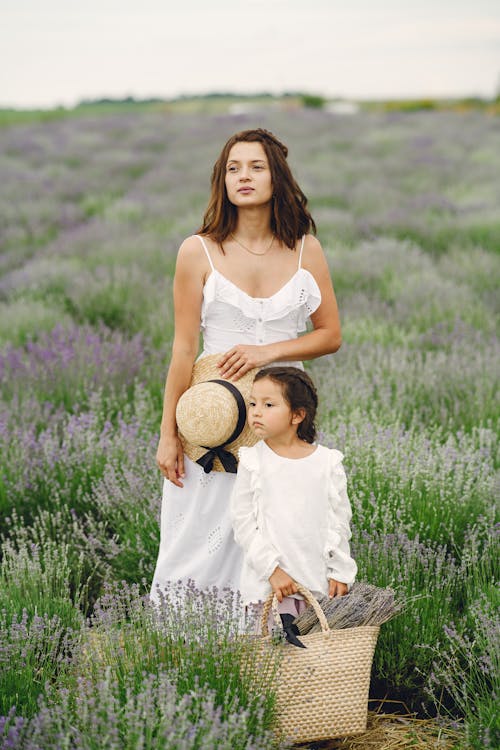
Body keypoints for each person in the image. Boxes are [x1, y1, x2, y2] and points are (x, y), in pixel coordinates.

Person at [150, 128, 342, 602]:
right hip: (213, 417)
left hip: (279, 417)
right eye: (233, 168)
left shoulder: (305, 250)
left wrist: (268, 351)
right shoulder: (198, 251)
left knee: (282, 530)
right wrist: (169, 433)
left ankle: (273, 649)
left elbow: (330, 335)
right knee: (201, 532)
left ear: (276, 177)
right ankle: (192, 647)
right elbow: (182, 350)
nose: (244, 176)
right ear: (222, 181)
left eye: (256, 166)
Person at [230, 367, 357, 635]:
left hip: (316, 584)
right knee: (269, 662)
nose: (256, 411)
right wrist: (272, 571)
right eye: (252, 403)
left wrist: (341, 571)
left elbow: (339, 521)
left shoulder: (327, 463)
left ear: (298, 415)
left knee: (315, 661)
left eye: (268, 404)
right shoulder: (253, 461)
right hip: (269, 587)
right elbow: (243, 524)